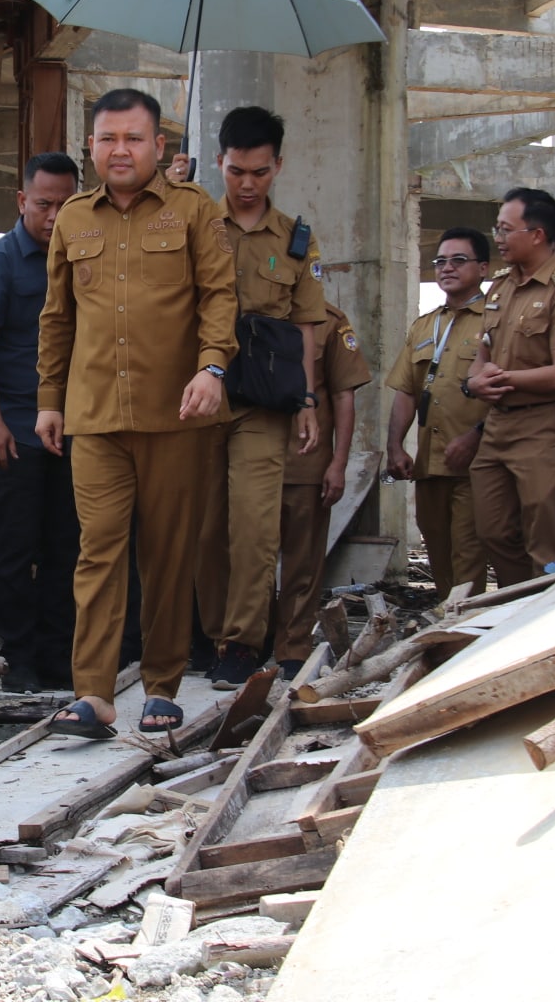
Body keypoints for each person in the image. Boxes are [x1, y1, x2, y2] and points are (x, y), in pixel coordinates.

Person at [36, 88, 237, 739]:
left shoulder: (192, 212)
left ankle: (162, 684)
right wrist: (48, 400)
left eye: (133, 138)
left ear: (159, 147)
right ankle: (92, 694)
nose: (119, 149)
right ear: (91, 147)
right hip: (93, 416)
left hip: (175, 415)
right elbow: (57, 318)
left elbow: (219, 296)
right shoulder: (71, 218)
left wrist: (212, 368)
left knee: (168, 554)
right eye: (106, 138)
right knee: (98, 552)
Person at [196, 106, 325, 690]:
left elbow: (306, 327)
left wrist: (307, 401)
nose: (247, 185)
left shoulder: (297, 240)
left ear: (278, 165)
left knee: (254, 528)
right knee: (201, 527)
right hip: (195, 395)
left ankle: (242, 644)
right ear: (219, 162)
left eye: (259, 172)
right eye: (235, 172)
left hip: (262, 402)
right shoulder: (191, 218)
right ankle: (206, 632)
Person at [0, 152, 82, 693]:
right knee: (14, 549)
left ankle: (60, 660)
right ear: (22, 201)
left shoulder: (82, 261)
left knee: (68, 547)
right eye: (43, 204)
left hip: (75, 430)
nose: (54, 215)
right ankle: (18, 660)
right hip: (14, 429)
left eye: (65, 204)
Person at [465, 187, 555, 582]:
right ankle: (517, 603)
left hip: (543, 430)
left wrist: (500, 379)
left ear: (537, 234)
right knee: (493, 531)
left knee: (545, 545)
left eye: (506, 230)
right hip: (498, 427)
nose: (498, 238)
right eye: (497, 229)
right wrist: (475, 380)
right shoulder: (500, 286)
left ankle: (548, 612)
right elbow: (482, 353)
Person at [385, 227, 491, 596]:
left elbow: (509, 393)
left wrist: (475, 437)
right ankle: (447, 625)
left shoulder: (496, 321)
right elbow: (406, 390)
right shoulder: (425, 325)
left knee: (468, 555)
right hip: (430, 466)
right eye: (440, 261)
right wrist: (395, 446)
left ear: (483, 268)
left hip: (475, 465)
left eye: (459, 260)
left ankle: (466, 633)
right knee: (439, 554)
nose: (447, 268)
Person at [274, 301, 370, 674]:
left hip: (306, 459)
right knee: (248, 562)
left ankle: (292, 648)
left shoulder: (328, 322)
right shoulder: (242, 311)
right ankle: (250, 644)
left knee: (303, 564)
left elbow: (345, 395)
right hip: (251, 463)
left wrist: (338, 462)